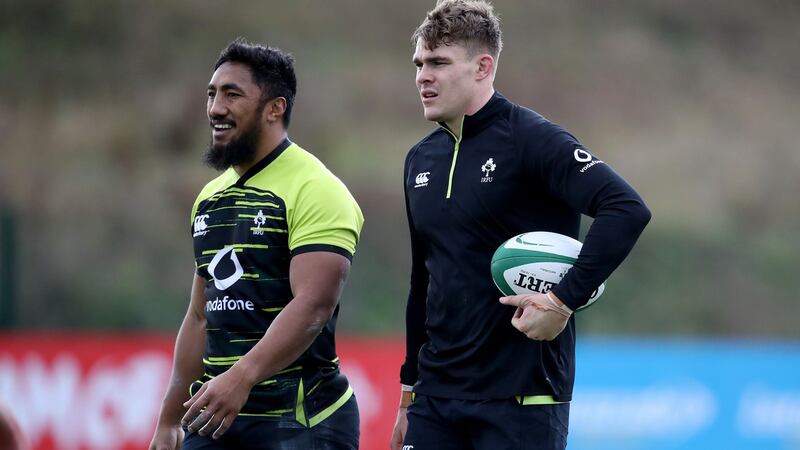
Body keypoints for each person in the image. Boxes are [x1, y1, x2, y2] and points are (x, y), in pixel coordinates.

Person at [391, 1, 651, 449]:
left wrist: (562, 301)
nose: (422, 76)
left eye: (438, 63)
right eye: (418, 64)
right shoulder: (420, 160)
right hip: (435, 399)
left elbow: (626, 208)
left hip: (522, 398)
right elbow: (423, 281)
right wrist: (407, 394)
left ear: (482, 67)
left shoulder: (531, 139)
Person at [149, 38, 363, 450]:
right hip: (216, 418)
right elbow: (199, 315)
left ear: (274, 108)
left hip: (302, 422)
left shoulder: (317, 189)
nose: (215, 108)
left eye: (232, 94)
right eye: (212, 94)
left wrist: (241, 377)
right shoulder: (209, 198)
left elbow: (313, 306)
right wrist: (169, 418)